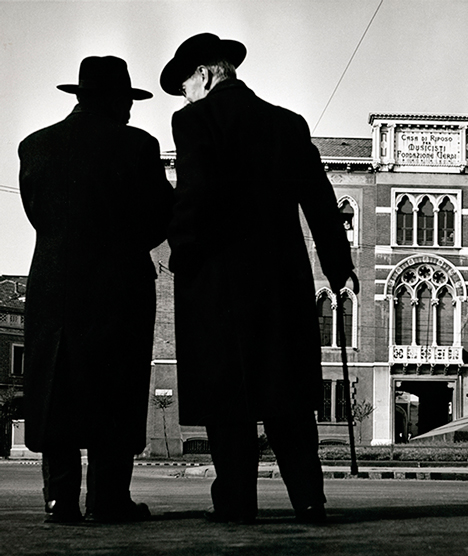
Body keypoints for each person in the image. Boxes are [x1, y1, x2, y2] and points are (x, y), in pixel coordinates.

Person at [160, 33, 355, 524]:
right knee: (286, 394)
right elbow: (320, 198)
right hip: (280, 281)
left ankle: (236, 504)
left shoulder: (193, 120)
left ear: (205, 74)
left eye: (185, 85)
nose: (184, 95)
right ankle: (309, 499)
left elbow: (196, 191)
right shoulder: (286, 123)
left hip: (219, 280)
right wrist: (337, 265)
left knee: (229, 399)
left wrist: (180, 251)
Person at [18, 56, 174, 523]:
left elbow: (37, 215)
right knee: (116, 388)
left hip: (54, 282)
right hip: (118, 284)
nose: (129, 110)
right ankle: (108, 498)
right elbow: (160, 216)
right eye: (127, 101)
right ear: (115, 100)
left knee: (56, 388)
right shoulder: (138, 147)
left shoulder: (35, 146)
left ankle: (59, 499)